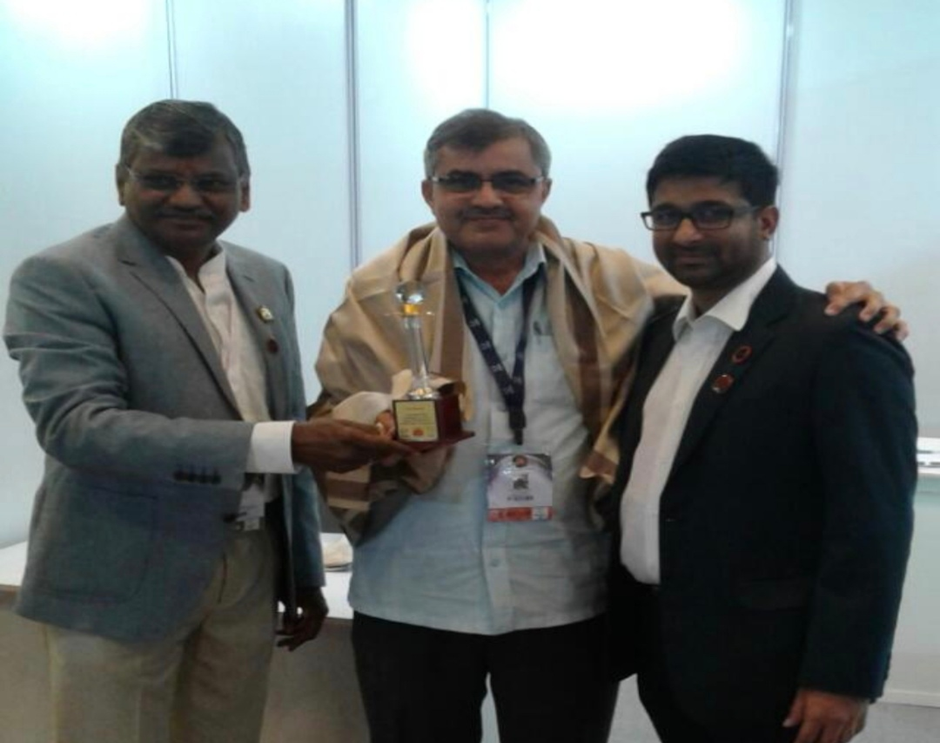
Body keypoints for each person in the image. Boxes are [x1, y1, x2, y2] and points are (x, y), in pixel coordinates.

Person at [311, 109, 904, 743]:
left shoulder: (615, 285)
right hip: (413, 594)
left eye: (510, 180)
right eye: (461, 180)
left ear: (543, 189)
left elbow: (743, 308)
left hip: (563, 601)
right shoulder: (374, 296)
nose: (486, 197)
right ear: (429, 192)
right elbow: (328, 418)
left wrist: (849, 301)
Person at [3, 100, 409, 743]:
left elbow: (284, 415)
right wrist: (286, 443)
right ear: (121, 182)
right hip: (120, 568)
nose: (187, 197)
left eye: (211, 181)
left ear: (244, 190)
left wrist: (302, 570)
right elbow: (79, 427)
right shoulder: (64, 276)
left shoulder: (265, 276)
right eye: (161, 179)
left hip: (249, 565)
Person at [608, 135, 917, 743]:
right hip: (669, 650)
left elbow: (872, 527)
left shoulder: (838, 339)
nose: (686, 234)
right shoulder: (662, 334)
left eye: (712, 213)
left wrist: (843, 677)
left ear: (767, 220)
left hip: (776, 668)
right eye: (667, 216)